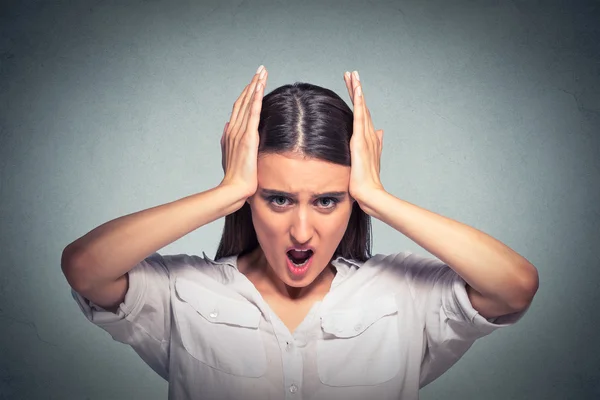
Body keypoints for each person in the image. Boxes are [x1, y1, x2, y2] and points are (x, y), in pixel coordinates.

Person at [61, 65, 539, 400]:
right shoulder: (183, 292)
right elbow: (86, 268)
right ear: (251, 197)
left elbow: (514, 287)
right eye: (278, 199)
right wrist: (227, 191)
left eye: (328, 200)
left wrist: (378, 197)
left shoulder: (402, 295)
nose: (302, 231)